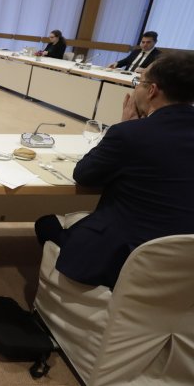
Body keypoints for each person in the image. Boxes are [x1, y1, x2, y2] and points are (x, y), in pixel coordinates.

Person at [34, 53, 194, 289]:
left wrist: (123, 127)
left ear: (152, 91)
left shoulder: (131, 134)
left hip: (126, 255)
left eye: (138, 83)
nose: (136, 89)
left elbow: (85, 175)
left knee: (45, 224)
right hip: (185, 262)